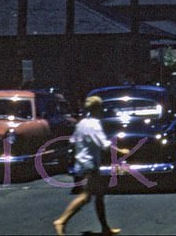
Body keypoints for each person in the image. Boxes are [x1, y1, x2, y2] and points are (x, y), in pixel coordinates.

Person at [53, 96, 129, 236]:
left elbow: (73, 140)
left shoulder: (81, 124)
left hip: (82, 162)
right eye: (100, 107)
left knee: (99, 196)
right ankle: (61, 221)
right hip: (90, 164)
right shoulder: (95, 124)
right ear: (96, 108)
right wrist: (121, 151)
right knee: (86, 196)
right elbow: (104, 144)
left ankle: (105, 228)